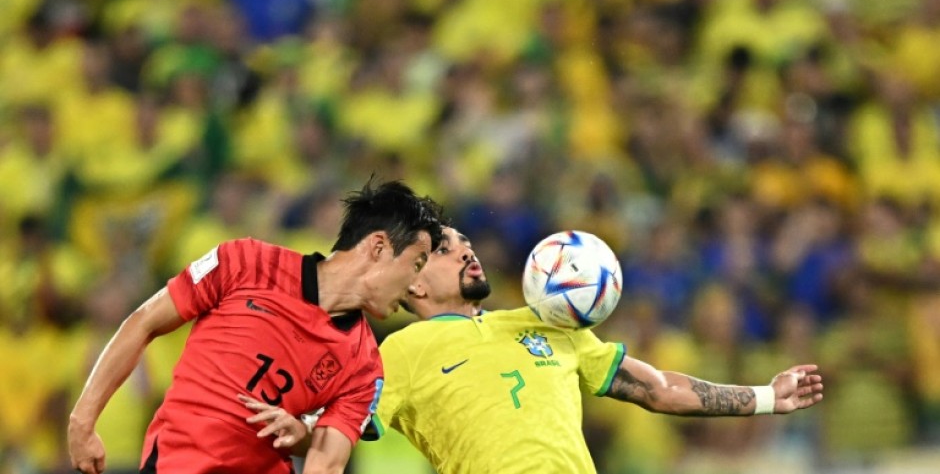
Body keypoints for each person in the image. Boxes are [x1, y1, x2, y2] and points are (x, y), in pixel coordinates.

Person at [243, 227, 824, 473]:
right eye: (448, 249)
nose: (469, 252)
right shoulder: (397, 351)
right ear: (414, 280)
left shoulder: (550, 325)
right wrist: (293, 427)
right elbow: (334, 428)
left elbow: (659, 389)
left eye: (468, 243)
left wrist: (767, 397)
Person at [68, 179, 445, 474]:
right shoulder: (245, 262)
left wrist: (303, 435)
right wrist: (83, 420)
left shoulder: (364, 365)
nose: (416, 287)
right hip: (175, 463)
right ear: (378, 247)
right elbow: (145, 321)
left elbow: (327, 462)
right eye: (415, 264)